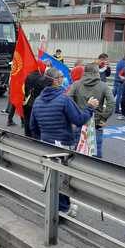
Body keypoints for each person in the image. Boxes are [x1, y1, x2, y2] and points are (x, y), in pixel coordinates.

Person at [30, 68, 99, 215]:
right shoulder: (64, 99)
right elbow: (79, 119)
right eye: (62, 76)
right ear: (56, 80)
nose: (64, 78)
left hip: (46, 143)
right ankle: (62, 208)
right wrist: (90, 107)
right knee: (63, 178)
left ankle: (61, 206)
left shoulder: (37, 100)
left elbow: (32, 127)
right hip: (63, 144)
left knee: (53, 176)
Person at [68, 63, 114, 158]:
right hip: (96, 123)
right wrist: (103, 118)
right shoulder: (103, 86)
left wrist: (73, 115)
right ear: (97, 72)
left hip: (79, 121)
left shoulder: (76, 84)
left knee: (77, 152)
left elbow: (68, 99)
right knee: (96, 155)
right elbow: (111, 103)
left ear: (85, 72)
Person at [23, 68, 52, 137]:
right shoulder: (41, 79)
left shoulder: (28, 76)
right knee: (35, 120)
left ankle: (27, 133)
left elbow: (25, 88)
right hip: (37, 102)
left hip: (28, 100)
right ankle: (35, 134)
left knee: (27, 119)